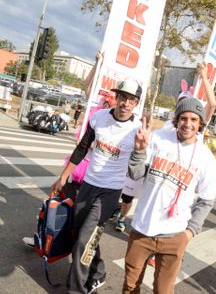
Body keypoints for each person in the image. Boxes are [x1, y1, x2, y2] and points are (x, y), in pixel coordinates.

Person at [52, 79, 142, 294]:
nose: (125, 103)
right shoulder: (99, 117)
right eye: (122, 97)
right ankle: (99, 271)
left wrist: (140, 149)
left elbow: (137, 170)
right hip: (88, 185)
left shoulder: (137, 129)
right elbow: (83, 147)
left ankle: (76, 289)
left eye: (131, 100)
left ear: (136, 103)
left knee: (84, 240)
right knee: (82, 233)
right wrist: (64, 176)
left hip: (110, 192)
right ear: (117, 97)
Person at [122, 97, 216, 294]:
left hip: (174, 236)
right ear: (176, 120)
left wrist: (189, 232)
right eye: (183, 118)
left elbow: (207, 200)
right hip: (142, 230)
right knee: (130, 287)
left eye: (193, 119)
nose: (188, 124)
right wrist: (139, 151)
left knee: (163, 291)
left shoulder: (206, 157)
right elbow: (136, 174)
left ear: (200, 123)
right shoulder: (158, 139)